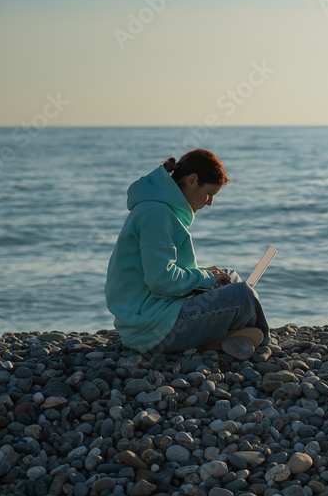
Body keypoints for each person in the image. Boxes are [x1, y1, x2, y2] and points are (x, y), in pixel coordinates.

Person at [104, 149, 269, 358]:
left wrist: (206, 274)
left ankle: (223, 335)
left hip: (159, 311)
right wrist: (205, 278)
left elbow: (161, 273)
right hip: (151, 330)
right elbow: (161, 280)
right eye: (210, 193)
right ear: (192, 180)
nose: (210, 202)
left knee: (229, 276)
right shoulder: (157, 214)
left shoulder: (162, 210)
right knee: (242, 294)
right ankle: (263, 343)